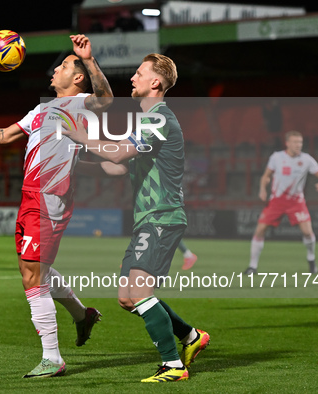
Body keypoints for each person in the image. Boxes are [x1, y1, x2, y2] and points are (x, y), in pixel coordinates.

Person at [0, 34, 113, 378]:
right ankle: (82, 315)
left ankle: (52, 358)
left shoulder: (83, 103)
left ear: (77, 78)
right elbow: (3, 135)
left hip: (50, 196)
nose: (55, 70)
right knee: (36, 269)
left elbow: (107, 99)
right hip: (30, 195)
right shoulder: (42, 109)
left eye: (62, 66)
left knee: (32, 276)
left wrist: (88, 60)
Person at [63, 54, 210, 383]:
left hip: (163, 216)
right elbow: (118, 165)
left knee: (139, 292)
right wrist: (75, 163)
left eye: (139, 73)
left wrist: (78, 136)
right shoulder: (146, 121)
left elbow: (116, 153)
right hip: (148, 218)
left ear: (155, 82)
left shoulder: (160, 119)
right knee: (128, 298)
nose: (132, 77)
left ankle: (173, 366)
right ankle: (190, 337)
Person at [244, 130, 318, 276]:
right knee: (260, 230)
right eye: (295, 142)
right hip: (277, 201)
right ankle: (252, 267)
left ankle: (311, 260)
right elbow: (266, 176)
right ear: (287, 143)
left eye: (300, 142)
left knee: (307, 232)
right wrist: (262, 189)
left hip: (296, 202)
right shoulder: (277, 157)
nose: (298, 145)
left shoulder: (307, 159)